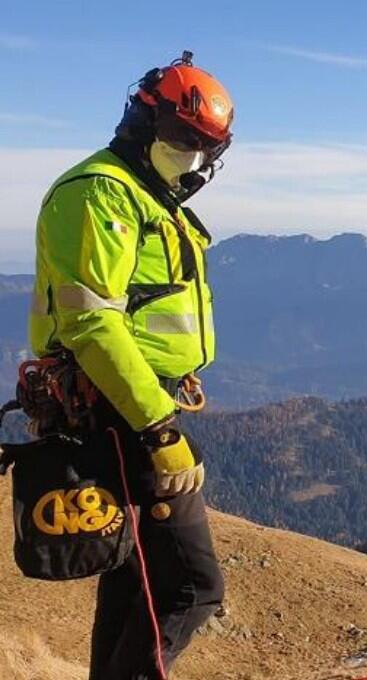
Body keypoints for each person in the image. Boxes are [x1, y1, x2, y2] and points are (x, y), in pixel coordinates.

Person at [29, 51, 233, 679]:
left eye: (205, 149)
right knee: (191, 589)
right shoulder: (102, 194)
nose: (192, 160)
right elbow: (91, 321)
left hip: (135, 405)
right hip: (125, 414)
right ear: (142, 123)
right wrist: (160, 429)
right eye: (181, 140)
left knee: (132, 583)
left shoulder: (148, 195)